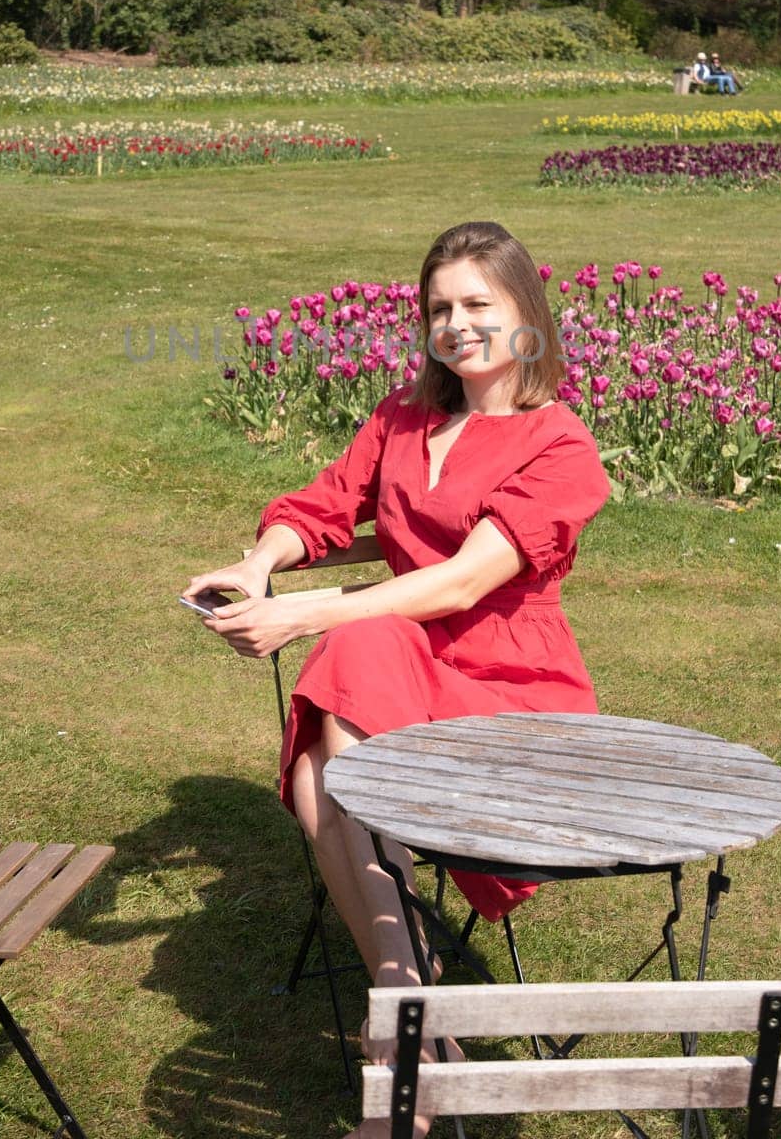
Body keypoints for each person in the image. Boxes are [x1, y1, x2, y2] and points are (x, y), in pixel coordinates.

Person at [185, 221, 610, 1139]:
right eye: (438, 309)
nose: (455, 326)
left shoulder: (559, 444)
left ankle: (404, 1025)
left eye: (476, 306)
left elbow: (463, 583)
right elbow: (321, 509)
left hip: (507, 676)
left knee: (341, 683)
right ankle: (410, 1013)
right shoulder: (402, 418)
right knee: (352, 672)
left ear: (526, 317)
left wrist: (299, 613)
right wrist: (262, 565)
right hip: (403, 655)